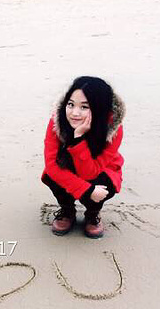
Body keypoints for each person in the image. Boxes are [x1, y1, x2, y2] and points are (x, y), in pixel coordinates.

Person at [41, 76, 125, 238]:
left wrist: (78, 139)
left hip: (101, 170)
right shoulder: (57, 122)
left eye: (84, 107)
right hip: (66, 165)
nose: (75, 113)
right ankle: (67, 210)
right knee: (53, 176)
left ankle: (93, 213)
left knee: (103, 186)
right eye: (71, 104)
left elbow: (89, 173)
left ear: (99, 108)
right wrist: (86, 189)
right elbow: (51, 166)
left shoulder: (113, 128)